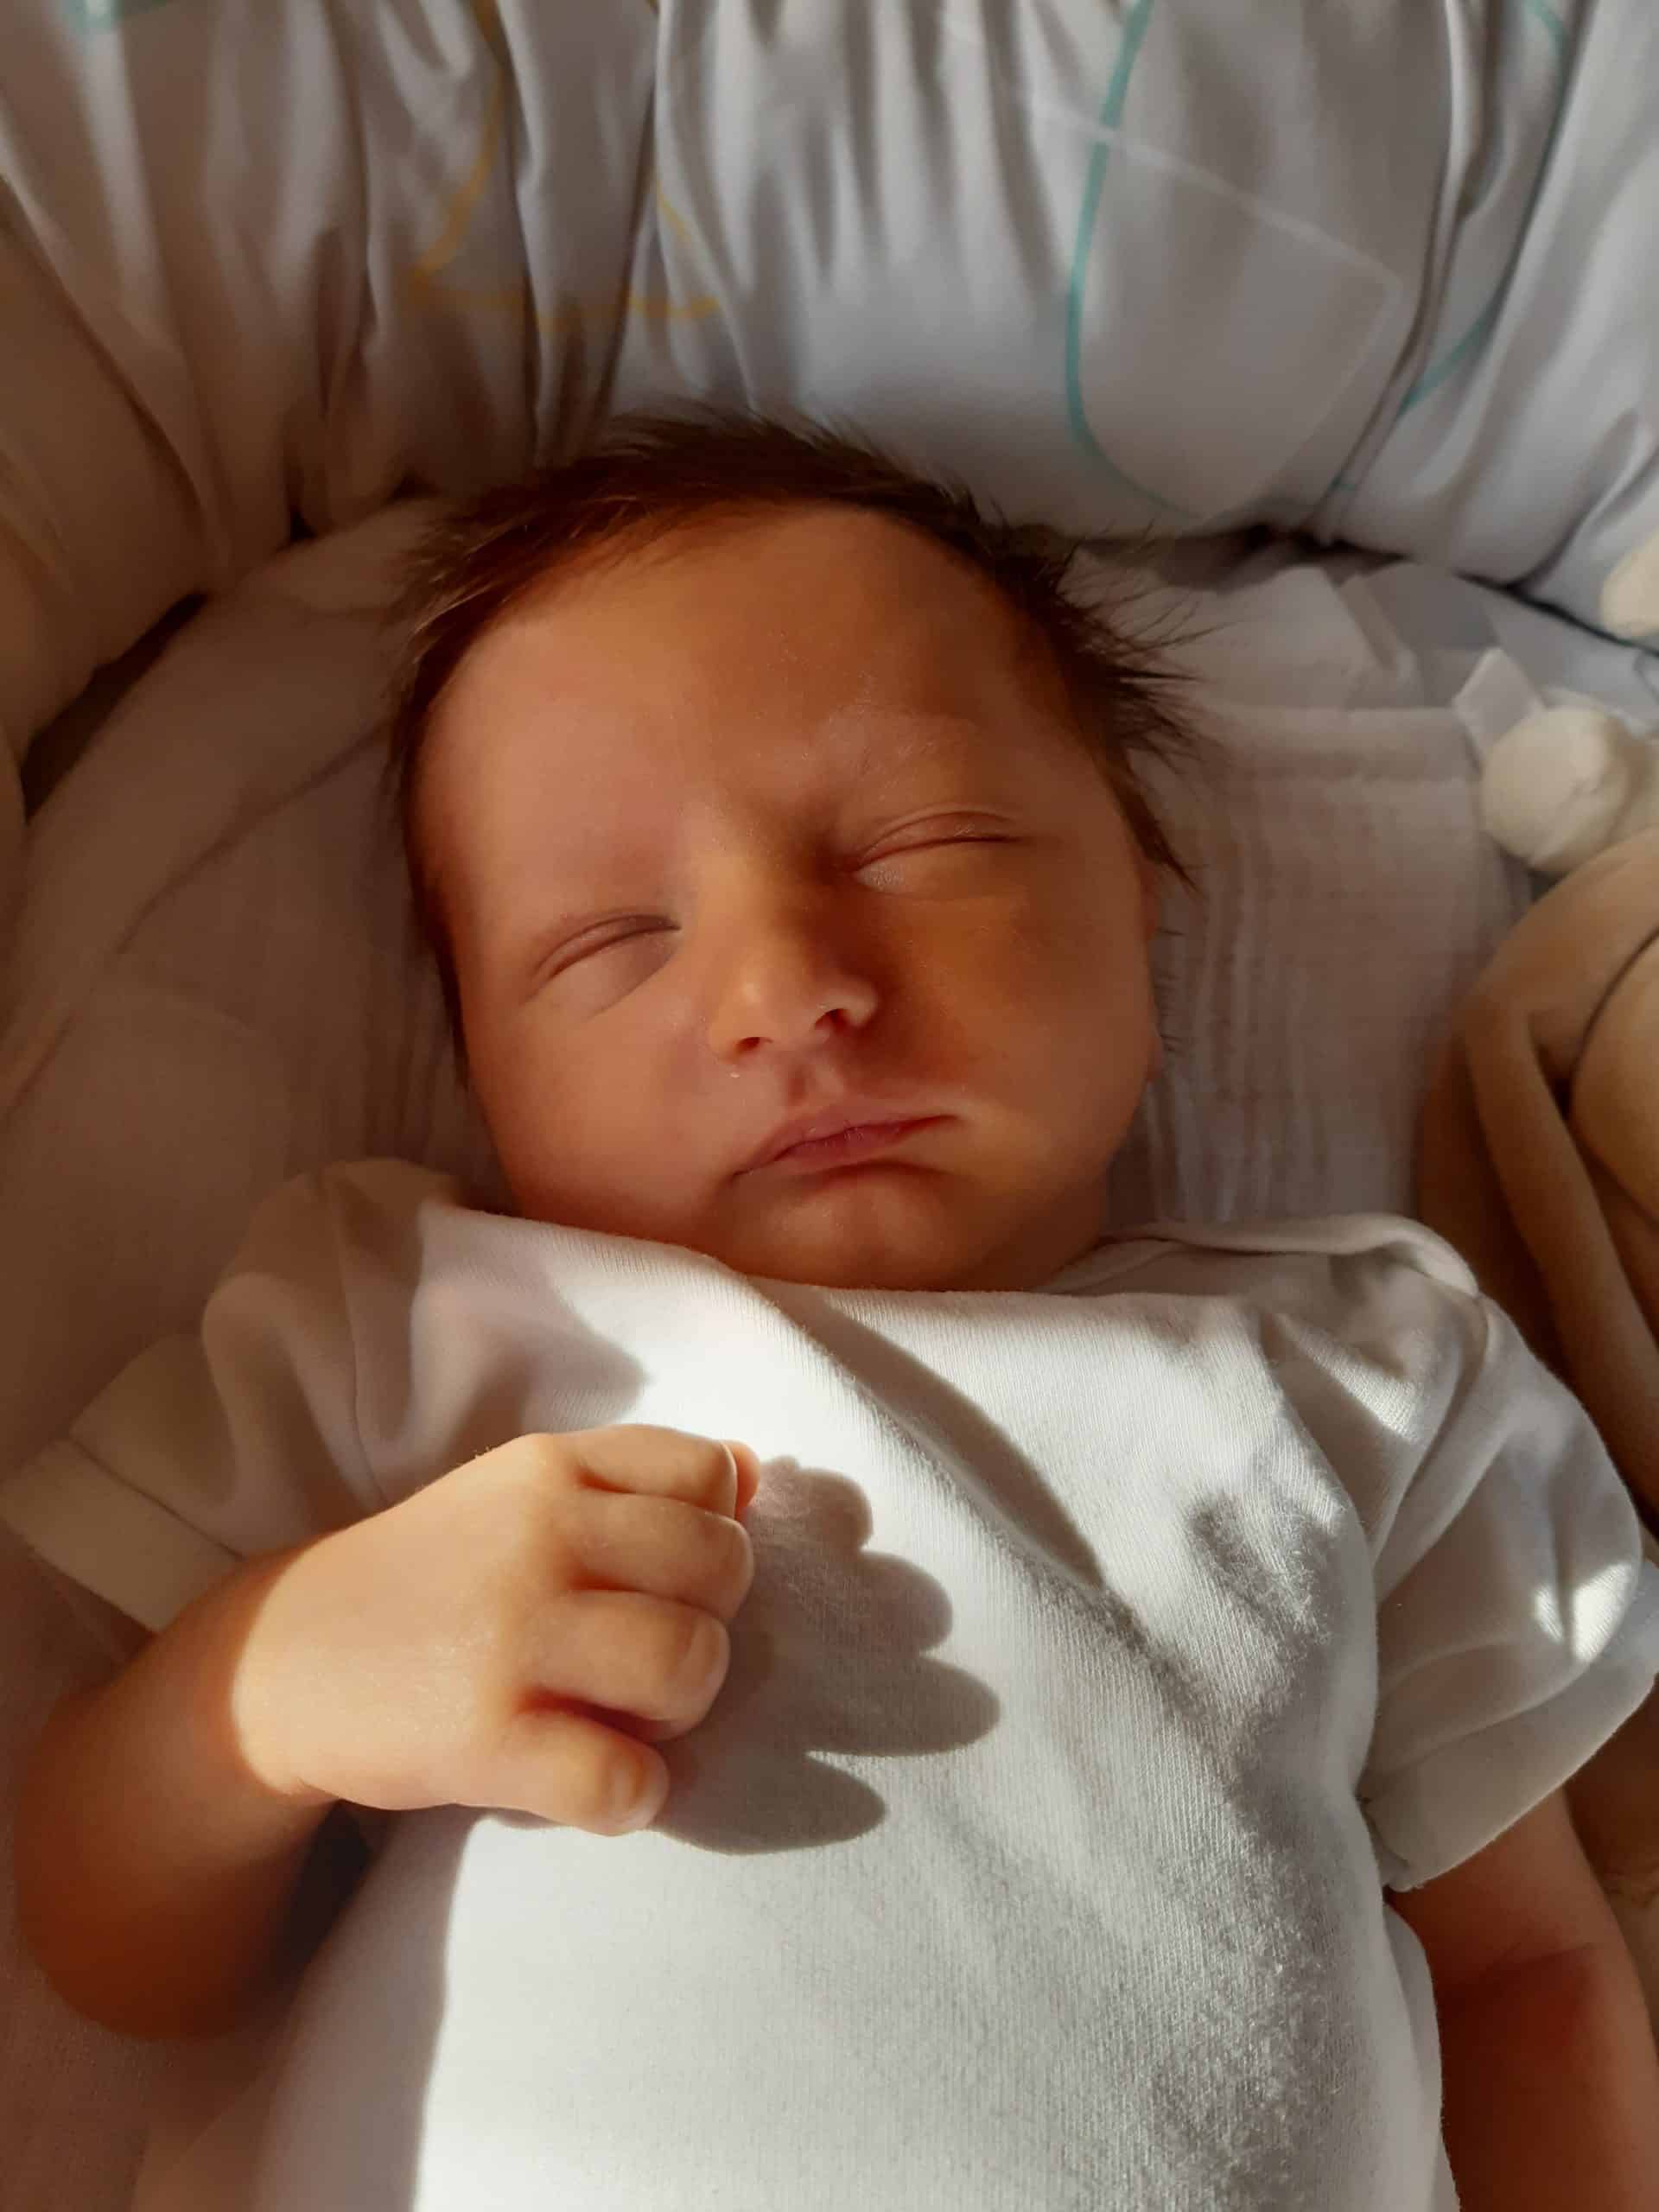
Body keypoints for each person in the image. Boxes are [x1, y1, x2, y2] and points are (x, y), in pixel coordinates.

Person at [5, 412, 1659, 2211]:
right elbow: (110, 1950)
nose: (788, 986)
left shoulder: (1364, 1365)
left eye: (917, 841)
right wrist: (265, 1695)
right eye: (609, 938)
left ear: (1143, 897)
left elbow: (1532, 1975)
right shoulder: (421, 1326)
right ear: (478, 1062)